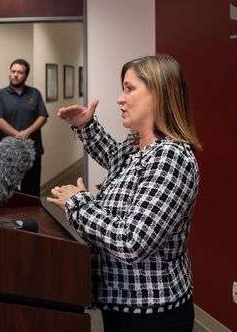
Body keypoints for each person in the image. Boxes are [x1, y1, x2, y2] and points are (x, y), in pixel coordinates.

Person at [49, 54, 201, 331]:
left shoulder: (171, 158)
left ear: (159, 93)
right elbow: (114, 157)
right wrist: (86, 125)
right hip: (122, 304)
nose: (120, 98)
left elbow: (131, 242)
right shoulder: (137, 146)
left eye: (129, 89)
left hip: (151, 313)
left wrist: (78, 203)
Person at [0, 58, 48, 196]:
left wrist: (27, 132)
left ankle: (32, 217)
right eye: (13, 71)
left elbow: (43, 116)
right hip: (8, 152)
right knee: (7, 191)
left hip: (32, 151)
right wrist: (18, 135)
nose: (15, 75)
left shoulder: (34, 94)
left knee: (31, 192)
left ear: (26, 75)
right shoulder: (0, 95)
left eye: (20, 72)